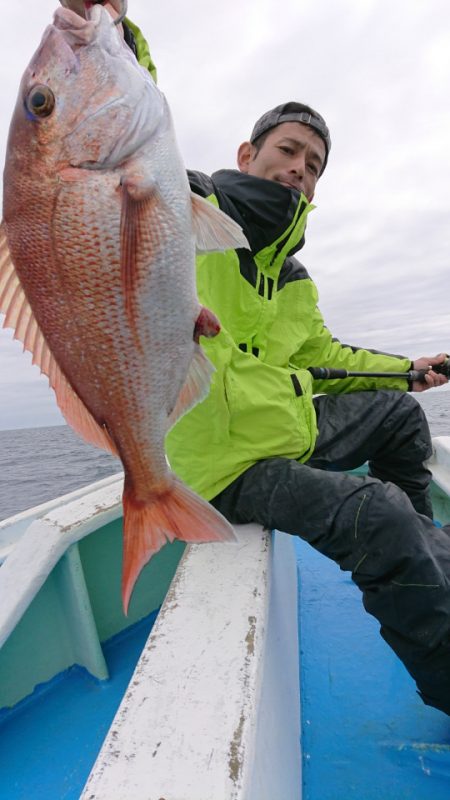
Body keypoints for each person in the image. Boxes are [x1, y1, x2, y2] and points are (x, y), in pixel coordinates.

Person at [71, 2, 450, 716]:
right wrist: (111, 34)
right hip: (227, 464)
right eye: (288, 150)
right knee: (376, 514)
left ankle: (430, 549)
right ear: (248, 155)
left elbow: (325, 353)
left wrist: (409, 369)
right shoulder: (189, 208)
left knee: (400, 418)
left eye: (314, 166)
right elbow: (126, 140)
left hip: (286, 429)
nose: (299, 169)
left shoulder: (292, 276)